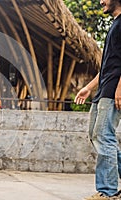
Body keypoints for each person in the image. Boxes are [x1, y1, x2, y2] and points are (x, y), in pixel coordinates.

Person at [74, 0, 121, 199]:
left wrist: (120, 89)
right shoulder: (115, 24)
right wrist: (88, 87)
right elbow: (108, 66)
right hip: (104, 89)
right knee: (96, 135)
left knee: (104, 137)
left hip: (113, 90)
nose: (101, 1)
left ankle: (107, 192)